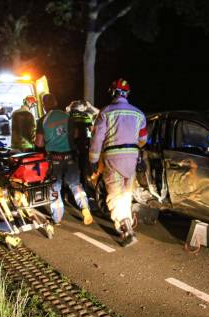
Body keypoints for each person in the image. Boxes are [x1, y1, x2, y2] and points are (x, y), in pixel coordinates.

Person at [89, 78, 147, 246]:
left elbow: (97, 139)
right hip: (132, 158)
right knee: (126, 194)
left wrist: (93, 160)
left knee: (115, 193)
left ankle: (126, 229)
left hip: (112, 158)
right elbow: (143, 139)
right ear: (127, 93)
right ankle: (126, 222)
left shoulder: (105, 112)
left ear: (113, 93)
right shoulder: (138, 113)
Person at [35, 93, 93, 226]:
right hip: (71, 156)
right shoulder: (68, 117)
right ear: (55, 102)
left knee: (54, 188)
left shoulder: (43, 120)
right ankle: (85, 208)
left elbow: (39, 143)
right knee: (75, 184)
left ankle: (57, 218)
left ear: (44, 106)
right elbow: (76, 134)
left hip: (54, 158)